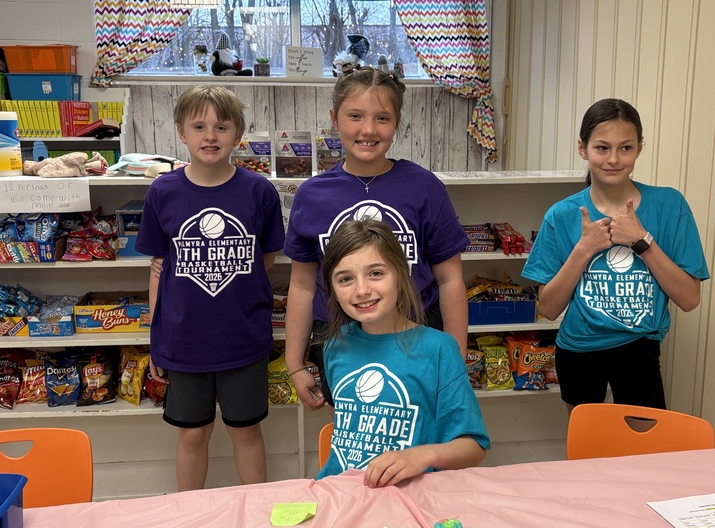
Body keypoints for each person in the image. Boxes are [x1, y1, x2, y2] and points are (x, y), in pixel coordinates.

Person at [284, 63, 470, 410]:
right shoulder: (311, 194)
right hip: (339, 337)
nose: (368, 129)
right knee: (357, 435)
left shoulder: (424, 187)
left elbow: (450, 279)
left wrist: (455, 357)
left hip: (416, 333)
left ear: (397, 122)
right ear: (334, 118)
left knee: (420, 432)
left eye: (382, 118)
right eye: (355, 115)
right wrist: (295, 363)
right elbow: (302, 286)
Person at [137, 85, 285, 491]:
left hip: (243, 338)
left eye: (221, 126)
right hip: (184, 342)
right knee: (192, 433)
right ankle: (190, 515)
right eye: (199, 126)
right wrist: (156, 337)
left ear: (238, 134)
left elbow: (266, 257)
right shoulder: (162, 192)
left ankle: (255, 510)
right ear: (182, 133)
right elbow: (157, 269)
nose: (210, 136)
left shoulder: (259, 191)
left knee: (246, 430)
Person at [522, 98, 709, 409]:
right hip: (578, 349)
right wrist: (583, 250)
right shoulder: (562, 215)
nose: (614, 159)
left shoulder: (670, 205)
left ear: (639, 147)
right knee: (587, 452)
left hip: (640, 347)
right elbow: (549, 308)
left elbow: (689, 299)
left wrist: (642, 241)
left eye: (625, 148)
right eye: (602, 148)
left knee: (642, 451)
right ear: (583, 148)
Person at [316, 218, 489, 487]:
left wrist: (421, 455)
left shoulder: (439, 349)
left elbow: (474, 447)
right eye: (346, 279)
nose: (362, 290)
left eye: (376, 273)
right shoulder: (334, 345)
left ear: (400, 274)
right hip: (344, 495)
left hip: (411, 499)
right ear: (333, 289)